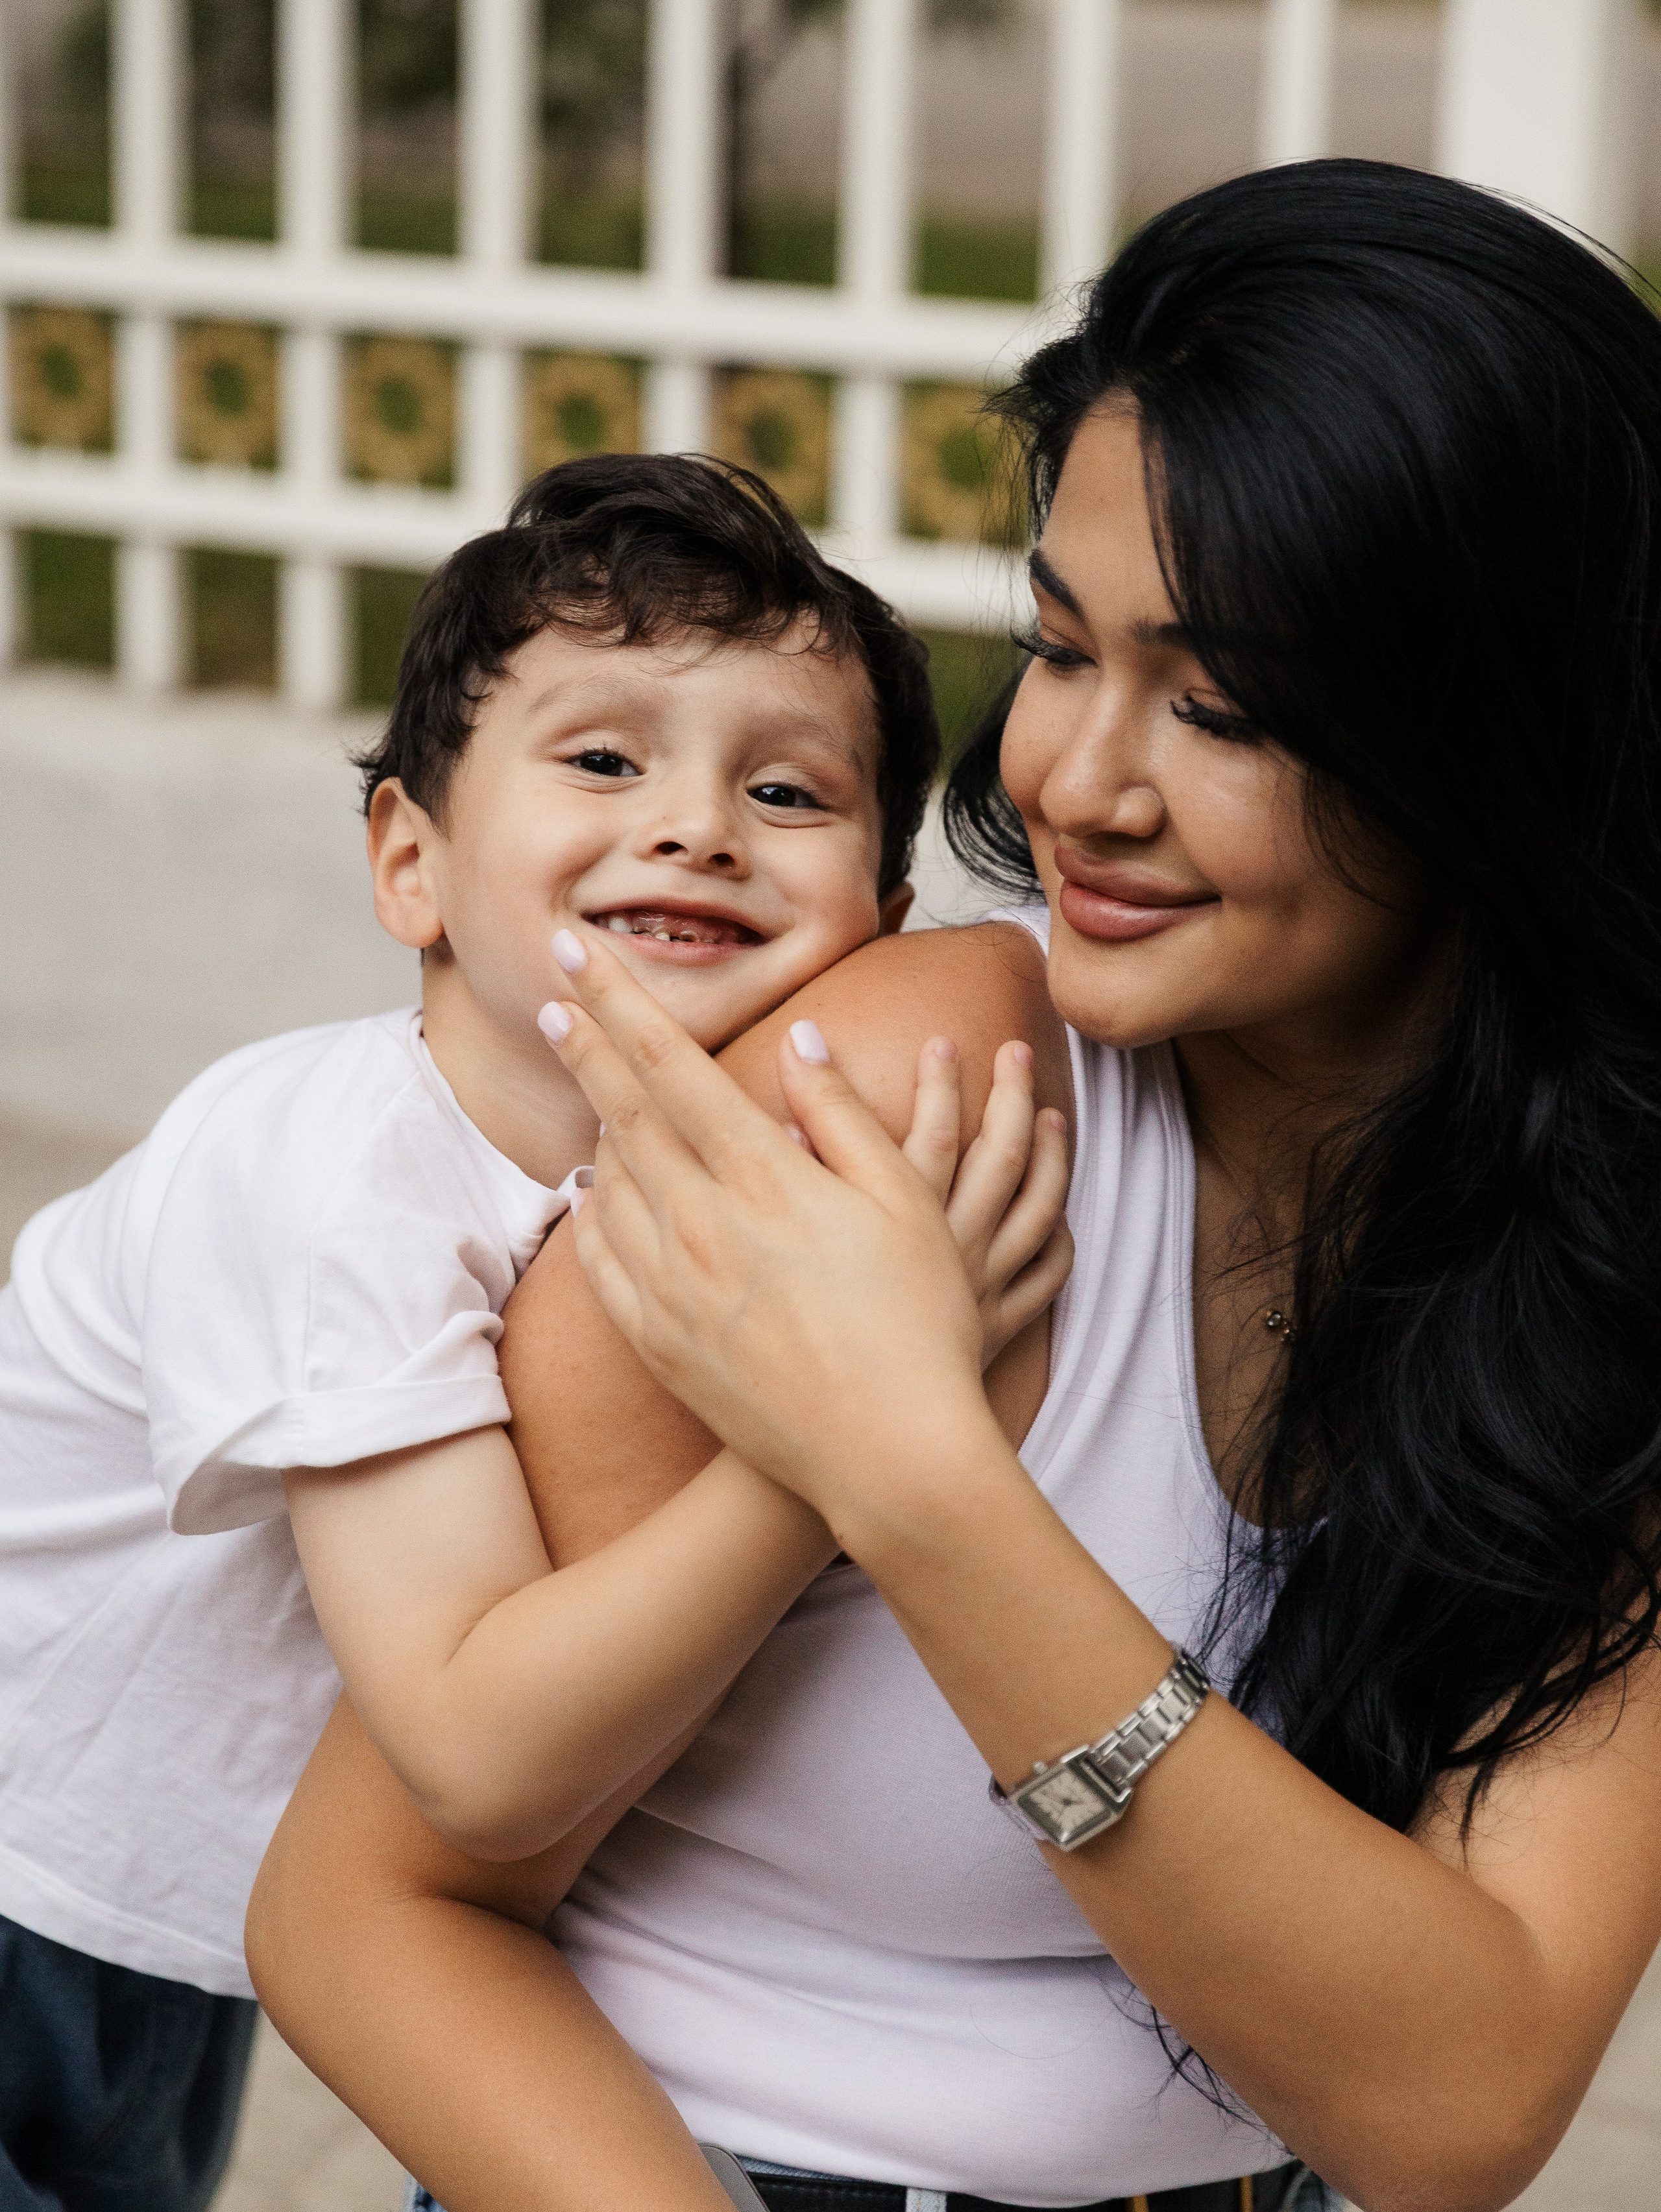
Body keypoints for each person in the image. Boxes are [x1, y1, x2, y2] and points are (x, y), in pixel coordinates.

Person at [249, 158, 1661, 2212]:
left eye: (1225, 704)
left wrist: (918, 1474)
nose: (1064, 780)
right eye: (1063, 648)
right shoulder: (912, 1101)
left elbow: (1455, 2099)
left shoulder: (1602, 1264)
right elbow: (369, 1905)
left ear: (1493, 743)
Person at [0, 453, 1068, 2211]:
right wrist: (854, 1434)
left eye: (788, 788)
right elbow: (478, 1747)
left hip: (154, 1913)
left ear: (877, 928)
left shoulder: (694, 1182)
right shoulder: (331, 1182)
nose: (698, 821)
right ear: (410, 862)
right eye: (603, 756)